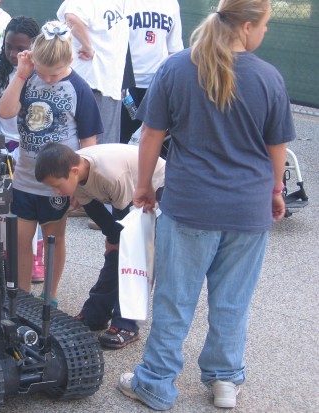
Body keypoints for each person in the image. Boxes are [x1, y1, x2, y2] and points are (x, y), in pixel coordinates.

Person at [117, 0, 295, 409]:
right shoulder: (269, 77)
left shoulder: (176, 68)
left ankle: (156, 383)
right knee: (232, 300)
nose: (265, 33)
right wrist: (274, 192)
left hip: (190, 205)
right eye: (265, 25)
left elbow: (150, 135)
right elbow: (276, 149)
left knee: (175, 299)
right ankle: (224, 381)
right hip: (247, 211)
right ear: (247, 26)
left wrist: (143, 185)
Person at [0, 21, 102, 306]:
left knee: (53, 238)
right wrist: (21, 75)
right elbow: (5, 112)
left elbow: (88, 143)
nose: (47, 79)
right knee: (20, 239)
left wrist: (80, 187)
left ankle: (50, 295)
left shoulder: (79, 89)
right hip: (24, 178)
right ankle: (21, 293)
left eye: (54, 74)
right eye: (42, 72)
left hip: (56, 185)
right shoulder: (28, 77)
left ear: (70, 60)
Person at [35, 142, 165, 348]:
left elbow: (125, 223)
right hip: (126, 196)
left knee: (132, 258)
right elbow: (95, 210)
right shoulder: (75, 171)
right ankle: (96, 314)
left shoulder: (111, 175)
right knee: (114, 254)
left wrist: (115, 241)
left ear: (74, 172)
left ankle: (127, 324)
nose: (57, 192)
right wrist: (111, 237)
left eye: (58, 185)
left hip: (156, 188)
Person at [0, 15, 43, 282]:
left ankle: (37, 256)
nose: (12, 53)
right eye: (8, 46)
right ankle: (9, 254)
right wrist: (0, 145)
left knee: (35, 203)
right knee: (7, 205)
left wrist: (27, 148)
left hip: (32, 147)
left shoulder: (42, 74)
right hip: (5, 146)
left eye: (20, 49)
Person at [57, 0, 129, 144]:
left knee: (106, 146)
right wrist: (87, 46)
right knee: (95, 147)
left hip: (109, 84)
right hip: (92, 82)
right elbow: (71, 17)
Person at [120, 0, 184, 144]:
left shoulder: (171, 4)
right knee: (122, 137)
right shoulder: (121, 3)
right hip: (126, 81)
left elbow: (174, 50)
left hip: (157, 83)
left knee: (155, 138)